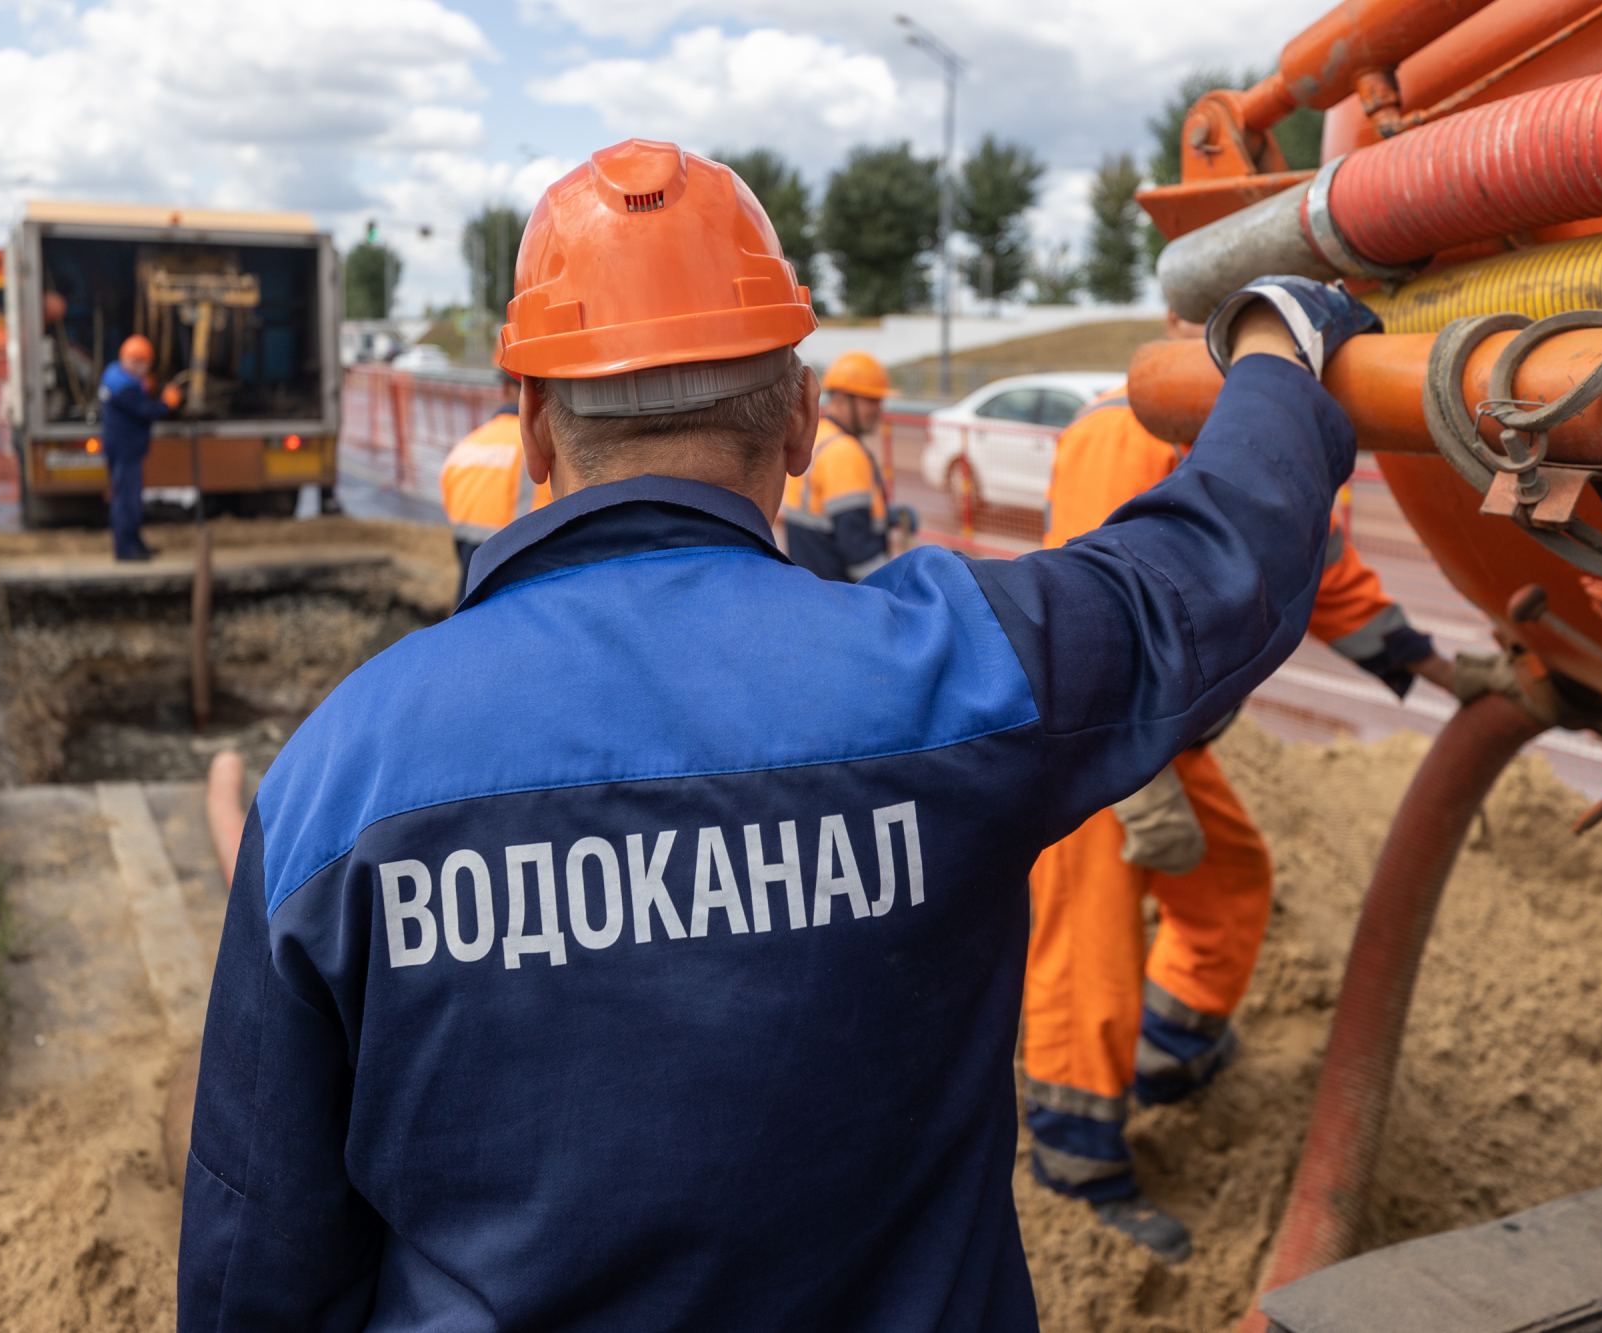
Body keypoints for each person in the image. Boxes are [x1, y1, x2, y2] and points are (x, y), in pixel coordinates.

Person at [177, 138, 1375, 1332]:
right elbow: (1203, 573)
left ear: (532, 426)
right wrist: (1276, 346)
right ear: (803, 420)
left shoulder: (339, 774)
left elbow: (250, 1266)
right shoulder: (954, 673)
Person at [1020, 363, 1459, 1262]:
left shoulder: (1277, 435)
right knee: (1092, 943)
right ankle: (1077, 1157)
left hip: (1168, 741)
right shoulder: (1129, 426)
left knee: (1229, 889)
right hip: (1088, 743)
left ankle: (1170, 1054)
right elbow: (1082, 611)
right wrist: (1131, 780)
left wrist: (1442, 669)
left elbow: (1323, 572)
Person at [780, 351, 911, 581]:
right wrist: (894, 590)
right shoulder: (844, 452)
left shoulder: (820, 436)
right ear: (841, 399)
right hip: (844, 592)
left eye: (879, 400)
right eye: (870, 400)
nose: (879, 409)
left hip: (815, 586)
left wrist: (887, 517)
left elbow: (832, 516)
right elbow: (860, 555)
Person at [438, 369, 551, 592]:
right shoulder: (546, 444)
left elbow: (448, 498)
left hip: (470, 578)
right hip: (526, 577)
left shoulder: (467, 445)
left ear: (504, 388)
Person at [98, 334, 181, 561]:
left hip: (118, 446)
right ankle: (126, 550)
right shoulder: (126, 387)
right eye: (144, 364)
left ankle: (135, 544)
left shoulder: (113, 373)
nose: (146, 370)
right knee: (127, 501)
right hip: (126, 449)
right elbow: (144, 412)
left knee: (127, 499)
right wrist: (167, 403)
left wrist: (141, 387)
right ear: (135, 362)